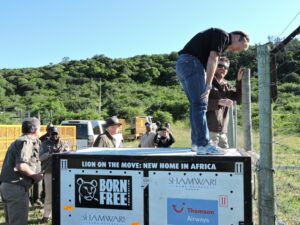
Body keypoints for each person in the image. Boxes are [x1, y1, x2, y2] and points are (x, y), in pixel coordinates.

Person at [176, 28, 249, 155]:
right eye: (239, 48)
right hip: (192, 63)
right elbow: (213, 58)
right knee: (200, 104)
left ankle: (196, 143)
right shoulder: (223, 36)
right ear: (238, 37)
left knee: (195, 105)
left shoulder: (216, 37)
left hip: (183, 64)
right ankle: (203, 144)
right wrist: (208, 83)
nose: (236, 51)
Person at [0, 117, 44, 225]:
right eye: (39, 128)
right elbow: (21, 166)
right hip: (16, 188)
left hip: (8, 187)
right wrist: (35, 176)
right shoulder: (27, 141)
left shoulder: (19, 141)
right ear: (35, 130)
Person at [207, 57, 244, 148]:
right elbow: (199, 104)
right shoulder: (206, 81)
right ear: (214, 65)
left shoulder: (227, 85)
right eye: (220, 65)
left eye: (225, 67)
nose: (223, 68)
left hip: (222, 132)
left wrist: (239, 81)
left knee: (225, 159)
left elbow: (238, 97)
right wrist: (219, 102)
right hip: (208, 131)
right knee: (209, 159)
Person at [39, 127, 69, 223]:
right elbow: (40, 158)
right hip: (49, 171)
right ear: (49, 134)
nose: (54, 136)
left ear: (58, 134)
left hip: (62, 172)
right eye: (52, 134)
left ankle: (63, 213)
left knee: (63, 194)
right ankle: (46, 215)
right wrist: (50, 153)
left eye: (56, 133)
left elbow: (69, 154)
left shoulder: (63, 143)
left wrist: (61, 152)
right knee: (49, 195)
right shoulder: (43, 144)